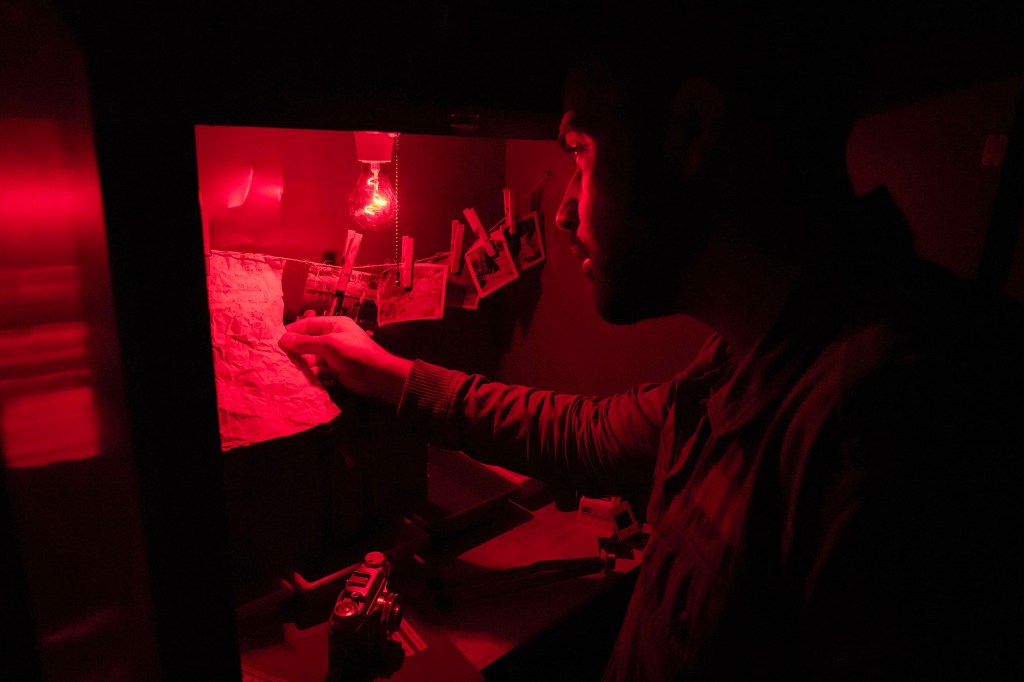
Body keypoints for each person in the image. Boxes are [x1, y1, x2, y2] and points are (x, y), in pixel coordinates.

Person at [281, 6, 1024, 680]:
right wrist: (388, 372)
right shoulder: (746, 363)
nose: (568, 209)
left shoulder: (889, 426)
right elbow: (585, 432)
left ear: (691, 130)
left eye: (581, 150)